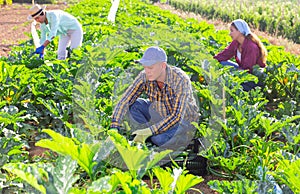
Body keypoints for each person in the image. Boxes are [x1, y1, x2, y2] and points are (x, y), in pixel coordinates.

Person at [110, 46, 199, 147]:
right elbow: (125, 100)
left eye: (150, 67)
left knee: (159, 140)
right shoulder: (145, 76)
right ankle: (146, 134)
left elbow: (176, 116)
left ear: (163, 66)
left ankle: (183, 139)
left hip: (183, 120)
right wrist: (114, 125)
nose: (147, 71)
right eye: (145, 67)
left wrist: (150, 131)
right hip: (161, 114)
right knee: (136, 105)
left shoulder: (180, 79)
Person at [214, 19, 268, 91]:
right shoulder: (236, 43)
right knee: (222, 63)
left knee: (238, 86)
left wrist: (233, 73)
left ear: (239, 31)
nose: (230, 34)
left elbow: (248, 69)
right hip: (242, 71)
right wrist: (211, 60)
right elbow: (225, 54)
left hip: (253, 78)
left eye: (232, 31)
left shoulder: (251, 47)